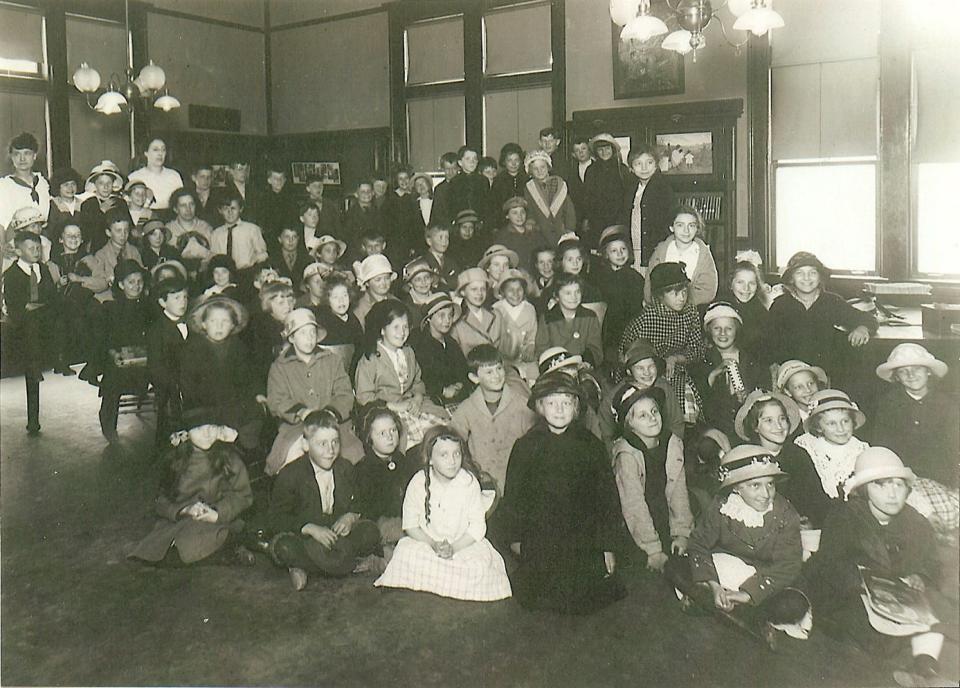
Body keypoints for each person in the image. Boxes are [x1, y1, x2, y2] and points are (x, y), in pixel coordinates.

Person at [804, 447, 958, 685]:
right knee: (861, 626)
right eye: (881, 485)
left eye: (899, 485)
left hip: (900, 595)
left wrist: (920, 575)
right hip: (853, 589)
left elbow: (932, 563)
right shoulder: (845, 516)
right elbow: (831, 562)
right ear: (864, 490)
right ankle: (885, 666)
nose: (892, 494)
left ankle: (925, 668)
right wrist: (866, 584)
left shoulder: (916, 523)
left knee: (935, 614)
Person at [497, 372, 626, 614]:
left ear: (576, 408)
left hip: (581, 535)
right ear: (540, 407)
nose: (559, 410)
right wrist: (517, 541)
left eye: (566, 403)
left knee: (584, 598)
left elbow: (607, 499)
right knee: (539, 595)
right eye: (552, 403)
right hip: (541, 535)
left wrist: (607, 546)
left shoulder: (590, 445)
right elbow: (515, 498)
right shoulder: (526, 446)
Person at [666, 444, 810, 643]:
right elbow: (699, 544)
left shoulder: (785, 513)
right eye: (755, 486)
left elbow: (788, 565)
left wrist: (747, 594)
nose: (766, 493)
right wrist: (714, 585)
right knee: (674, 565)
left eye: (770, 484)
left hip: (764, 579)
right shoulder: (722, 505)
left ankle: (720, 605)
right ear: (736, 488)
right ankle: (726, 604)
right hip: (724, 570)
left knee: (792, 604)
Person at [374, 425, 512, 601]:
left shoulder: (468, 483)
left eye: (457, 454)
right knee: (404, 552)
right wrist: (432, 544)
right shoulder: (418, 482)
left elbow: (477, 527)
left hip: (462, 543)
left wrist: (454, 548)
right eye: (444, 455)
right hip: (428, 542)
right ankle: (447, 582)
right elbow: (410, 525)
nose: (452, 461)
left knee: (481, 566)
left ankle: (436, 581)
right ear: (430, 459)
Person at [261, 409, 382, 591]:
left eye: (335, 442)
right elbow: (276, 518)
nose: (330, 450)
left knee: (370, 532)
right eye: (322, 444)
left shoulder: (346, 468)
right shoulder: (290, 474)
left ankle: (309, 568)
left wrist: (350, 516)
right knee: (285, 548)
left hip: (335, 537)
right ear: (305, 444)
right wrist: (309, 528)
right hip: (307, 538)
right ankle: (350, 565)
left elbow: (360, 502)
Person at [129, 411, 254, 567]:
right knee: (164, 551)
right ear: (186, 434)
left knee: (198, 544)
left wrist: (218, 513)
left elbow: (242, 496)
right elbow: (160, 500)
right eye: (199, 428)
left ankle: (228, 548)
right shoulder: (175, 460)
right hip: (182, 519)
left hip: (218, 519)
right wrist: (183, 510)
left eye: (212, 426)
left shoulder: (229, 459)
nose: (207, 432)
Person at [265, 308, 358, 475]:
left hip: (333, 423)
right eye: (302, 333)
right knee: (292, 462)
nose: (309, 338)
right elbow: (277, 400)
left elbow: (344, 393)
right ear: (292, 338)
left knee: (353, 456)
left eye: (312, 332)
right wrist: (302, 412)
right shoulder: (280, 366)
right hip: (299, 427)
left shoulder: (331, 360)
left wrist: (331, 412)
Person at [611, 385, 693, 572]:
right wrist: (652, 549)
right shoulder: (627, 454)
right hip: (635, 525)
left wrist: (682, 533)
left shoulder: (671, 443)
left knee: (686, 561)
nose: (652, 418)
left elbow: (679, 491)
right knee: (650, 576)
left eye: (654, 411)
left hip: (665, 515)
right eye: (642, 415)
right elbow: (633, 504)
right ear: (629, 424)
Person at [768, 251, 877, 384]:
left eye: (812, 273)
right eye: (799, 273)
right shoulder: (781, 304)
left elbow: (866, 318)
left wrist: (862, 328)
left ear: (820, 277)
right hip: (791, 374)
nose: (806, 278)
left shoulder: (831, 302)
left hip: (823, 374)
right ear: (791, 278)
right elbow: (770, 341)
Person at [620, 262, 707, 424]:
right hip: (645, 376)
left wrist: (675, 358)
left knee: (689, 414)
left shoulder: (690, 313)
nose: (682, 297)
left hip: (678, 373)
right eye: (674, 293)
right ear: (660, 295)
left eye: (684, 291)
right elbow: (629, 361)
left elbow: (698, 350)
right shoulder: (645, 321)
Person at [354, 300, 448, 448]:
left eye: (405, 327)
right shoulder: (370, 359)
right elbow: (364, 397)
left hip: (413, 406)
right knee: (416, 443)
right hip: (387, 412)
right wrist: (394, 406)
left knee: (443, 431)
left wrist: (417, 398)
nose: (402, 333)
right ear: (382, 329)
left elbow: (418, 382)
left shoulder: (408, 352)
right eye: (396, 327)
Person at [451, 344, 537, 497]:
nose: (496, 375)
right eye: (489, 372)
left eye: (499, 368)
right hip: (482, 486)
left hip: (519, 484)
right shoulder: (466, 409)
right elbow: (453, 445)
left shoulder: (522, 405)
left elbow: (536, 445)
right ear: (474, 378)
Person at [179, 296, 262, 452]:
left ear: (232, 325)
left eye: (225, 322)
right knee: (205, 425)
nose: (219, 326)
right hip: (202, 405)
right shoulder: (192, 349)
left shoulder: (238, 348)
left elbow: (248, 377)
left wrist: (256, 394)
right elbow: (188, 385)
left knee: (255, 415)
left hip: (232, 404)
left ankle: (242, 451)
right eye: (213, 321)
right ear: (204, 324)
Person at [872, 344, 958, 487]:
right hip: (901, 479)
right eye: (903, 371)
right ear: (897, 377)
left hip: (941, 479)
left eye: (916, 369)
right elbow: (883, 448)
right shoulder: (888, 405)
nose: (910, 375)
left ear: (928, 372)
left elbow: (954, 449)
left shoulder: (947, 405)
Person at [3, 231, 57, 435]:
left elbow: (53, 299)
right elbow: (16, 308)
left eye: (38, 248)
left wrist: (36, 307)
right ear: (18, 251)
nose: (36, 251)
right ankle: (32, 420)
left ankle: (53, 359)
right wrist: (32, 308)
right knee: (31, 330)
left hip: (43, 322)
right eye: (31, 248)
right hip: (22, 328)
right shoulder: (12, 275)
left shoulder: (43, 269)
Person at [691, 303, 765, 440]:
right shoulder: (701, 362)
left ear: (736, 330)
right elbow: (698, 405)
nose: (723, 333)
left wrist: (749, 397)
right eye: (717, 328)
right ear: (709, 331)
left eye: (728, 328)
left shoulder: (751, 360)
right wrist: (712, 376)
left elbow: (764, 391)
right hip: (717, 428)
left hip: (748, 426)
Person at [353, 405, 419, 556]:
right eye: (382, 433)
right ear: (369, 438)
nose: (390, 436)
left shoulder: (402, 461)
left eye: (393, 430)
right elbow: (368, 510)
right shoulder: (364, 469)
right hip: (381, 523)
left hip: (406, 518)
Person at [98, 260, 151, 443]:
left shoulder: (148, 307)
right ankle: (108, 424)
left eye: (140, 282)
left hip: (145, 357)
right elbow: (105, 339)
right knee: (113, 380)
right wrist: (115, 354)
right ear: (120, 284)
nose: (136, 286)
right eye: (131, 282)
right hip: (118, 357)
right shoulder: (110, 308)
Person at [599, 339, 685, 448]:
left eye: (651, 366)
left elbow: (676, 424)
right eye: (640, 368)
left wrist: (671, 451)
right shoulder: (614, 397)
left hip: (662, 449)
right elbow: (607, 436)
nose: (647, 372)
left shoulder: (664, 388)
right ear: (629, 371)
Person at [644, 205, 718, 306]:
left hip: (693, 309)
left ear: (697, 228)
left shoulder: (703, 254)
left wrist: (682, 303)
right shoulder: (661, 251)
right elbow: (649, 284)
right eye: (680, 225)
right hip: (661, 309)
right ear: (671, 227)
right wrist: (663, 304)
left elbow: (708, 290)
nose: (686, 230)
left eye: (691, 225)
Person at [147, 277, 190, 446]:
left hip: (191, 389)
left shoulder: (192, 325)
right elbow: (156, 368)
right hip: (171, 393)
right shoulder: (156, 330)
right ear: (162, 302)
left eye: (185, 297)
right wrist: (175, 384)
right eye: (177, 298)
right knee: (170, 436)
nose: (183, 302)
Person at [593, 226, 645, 367]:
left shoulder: (635, 277)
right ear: (605, 254)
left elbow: (637, 306)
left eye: (623, 249)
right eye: (614, 251)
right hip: (608, 326)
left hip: (630, 324)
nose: (620, 254)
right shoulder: (600, 277)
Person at [410, 294, 470, 409]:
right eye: (441, 316)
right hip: (433, 400)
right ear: (429, 318)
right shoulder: (419, 342)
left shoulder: (451, 342)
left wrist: (459, 384)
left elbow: (463, 369)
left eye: (450, 315)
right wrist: (442, 390)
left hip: (457, 396)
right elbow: (421, 378)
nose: (447, 320)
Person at [621, 145, 674, 271]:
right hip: (634, 248)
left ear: (656, 165)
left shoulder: (663, 189)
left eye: (649, 162)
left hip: (654, 250)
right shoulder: (630, 189)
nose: (644, 168)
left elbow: (670, 220)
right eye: (638, 163)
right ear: (631, 168)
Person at [535, 273, 603, 367]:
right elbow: (542, 349)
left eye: (577, 292)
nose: (574, 297)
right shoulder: (548, 318)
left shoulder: (590, 316)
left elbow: (595, 347)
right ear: (557, 296)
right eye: (568, 293)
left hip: (583, 367)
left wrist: (586, 362)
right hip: (556, 368)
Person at [715, 258, 771, 365]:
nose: (746, 288)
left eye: (752, 283)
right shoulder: (720, 308)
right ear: (730, 284)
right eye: (740, 282)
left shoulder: (761, 312)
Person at [492, 269, 538, 382]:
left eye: (519, 289)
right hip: (504, 360)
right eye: (510, 290)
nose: (516, 294)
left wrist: (531, 346)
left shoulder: (529, 309)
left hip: (524, 359)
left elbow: (532, 336)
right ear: (502, 292)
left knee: (534, 377)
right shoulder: (496, 310)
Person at [522, 149, 576, 248]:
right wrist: (530, 221)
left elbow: (569, 210)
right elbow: (529, 209)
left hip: (561, 230)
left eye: (542, 167)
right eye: (535, 169)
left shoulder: (560, 184)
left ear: (548, 167)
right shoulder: (529, 188)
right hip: (541, 232)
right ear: (530, 171)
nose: (540, 171)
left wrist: (570, 229)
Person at [209, 192, 269, 279]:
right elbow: (214, 258)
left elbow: (263, 254)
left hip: (247, 274)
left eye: (233, 208)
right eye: (226, 209)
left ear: (241, 209)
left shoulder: (252, 229)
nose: (230, 212)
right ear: (220, 211)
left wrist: (253, 264)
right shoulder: (216, 234)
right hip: (223, 277)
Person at [583, 134, 627, 248]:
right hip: (597, 219)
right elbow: (588, 196)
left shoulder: (622, 169)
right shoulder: (591, 170)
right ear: (596, 152)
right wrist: (587, 218)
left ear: (613, 150)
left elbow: (627, 196)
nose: (604, 152)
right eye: (600, 149)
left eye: (607, 149)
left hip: (618, 218)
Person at [0, 132, 50, 233]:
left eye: (27, 153)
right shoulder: (5, 185)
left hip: (42, 240)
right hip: (17, 240)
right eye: (17, 154)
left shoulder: (42, 182)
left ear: (34, 156)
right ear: (12, 157)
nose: (22, 159)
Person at [316, 272, 363, 376]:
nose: (341, 301)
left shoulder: (353, 320)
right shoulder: (323, 322)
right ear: (327, 300)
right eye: (335, 297)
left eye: (345, 295)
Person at [451, 268, 503, 357]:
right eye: (474, 289)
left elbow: (503, 350)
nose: (479, 293)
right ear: (463, 292)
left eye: (483, 289)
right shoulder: (456, 320)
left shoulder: (496, 315)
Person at [80, 161, 128, 252]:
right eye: (101, 183)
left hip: (119, 247)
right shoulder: (88, 204)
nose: (105, 187)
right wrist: (101, 211)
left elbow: (128, 227)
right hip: (97, 248)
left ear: (113, 184)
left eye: (108, 183)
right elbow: (87, 231)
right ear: (95, 185)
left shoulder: (120, 203)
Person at [443, 145, 493, 229]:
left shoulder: (483, 181)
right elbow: (450, 207)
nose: (472, 162)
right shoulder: (454, 182)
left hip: (479, 225)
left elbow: (487, 205)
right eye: (468, 159)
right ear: (460, 162)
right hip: (460, 225)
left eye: (475, 159)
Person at [128, 137, 184, 212]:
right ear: (146, 153)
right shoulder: (134, 177)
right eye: (155, 150)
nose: (160, 154)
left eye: (163, 150)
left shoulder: (174, 176)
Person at [492, 197, 544, 273]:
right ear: (507, 216)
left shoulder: (535, 233)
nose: (519, 216)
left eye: (522, 212)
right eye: (514, 213)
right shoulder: (502, 236)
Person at [352, 253, 398, 328]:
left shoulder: (396, 302)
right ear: (367, 283)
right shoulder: (360, 309)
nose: (383, 283)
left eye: (386, 278)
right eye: (378, 279)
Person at [258, 162, 297, 242]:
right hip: (269, 239)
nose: (279, 181)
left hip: (287, 239)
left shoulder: (291, 199)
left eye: (281, 178)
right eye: (276, 178)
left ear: (285, 180)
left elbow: (293, 220)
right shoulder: (262, 199)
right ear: (269, 180)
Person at [45, 167, 82, 245]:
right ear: (58, 186)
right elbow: (51, 231)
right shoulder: (53, 205)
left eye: (73, 184)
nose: (70, 188)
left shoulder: (83, 204)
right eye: (66, 185)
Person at [343, 180, 383, 251]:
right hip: (357, 254)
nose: (366, 194)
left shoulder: (379, 212)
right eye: (363, 191)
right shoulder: (350, 214)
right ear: (356, 194)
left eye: (369, 191)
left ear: (373, 193)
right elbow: (349, 240)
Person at [269, 226, 312, 291]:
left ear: (298, 239)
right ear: (280, 239)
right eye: (287, 237)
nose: (291, 241)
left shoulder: (308, 260)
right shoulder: (271, 260)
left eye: (294, 237)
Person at [419, 223, 458, 293]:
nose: (444, 241)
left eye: (447, 237)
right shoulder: (422, 262)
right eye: (440, 237)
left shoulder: (452, 262)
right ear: (429, 241)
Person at [490, 143, 528, 214]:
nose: (513, 164)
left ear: (520, 161)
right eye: (509, 160)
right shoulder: (498, 181)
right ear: (504, 162)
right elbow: (494, 206)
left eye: (516, 160)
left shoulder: (527, 179)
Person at [400, 257, 438, 325]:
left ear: (431, 279)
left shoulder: (438, 298)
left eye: (426, 277)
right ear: (410, 284)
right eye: (418, 279)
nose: (423, 282)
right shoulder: (406, 305)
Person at [190, 163, 221, 227]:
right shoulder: (189, 196)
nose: (206, 180)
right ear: (193, 178)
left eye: (209, 177)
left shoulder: (219, 196)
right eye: (202, 177)